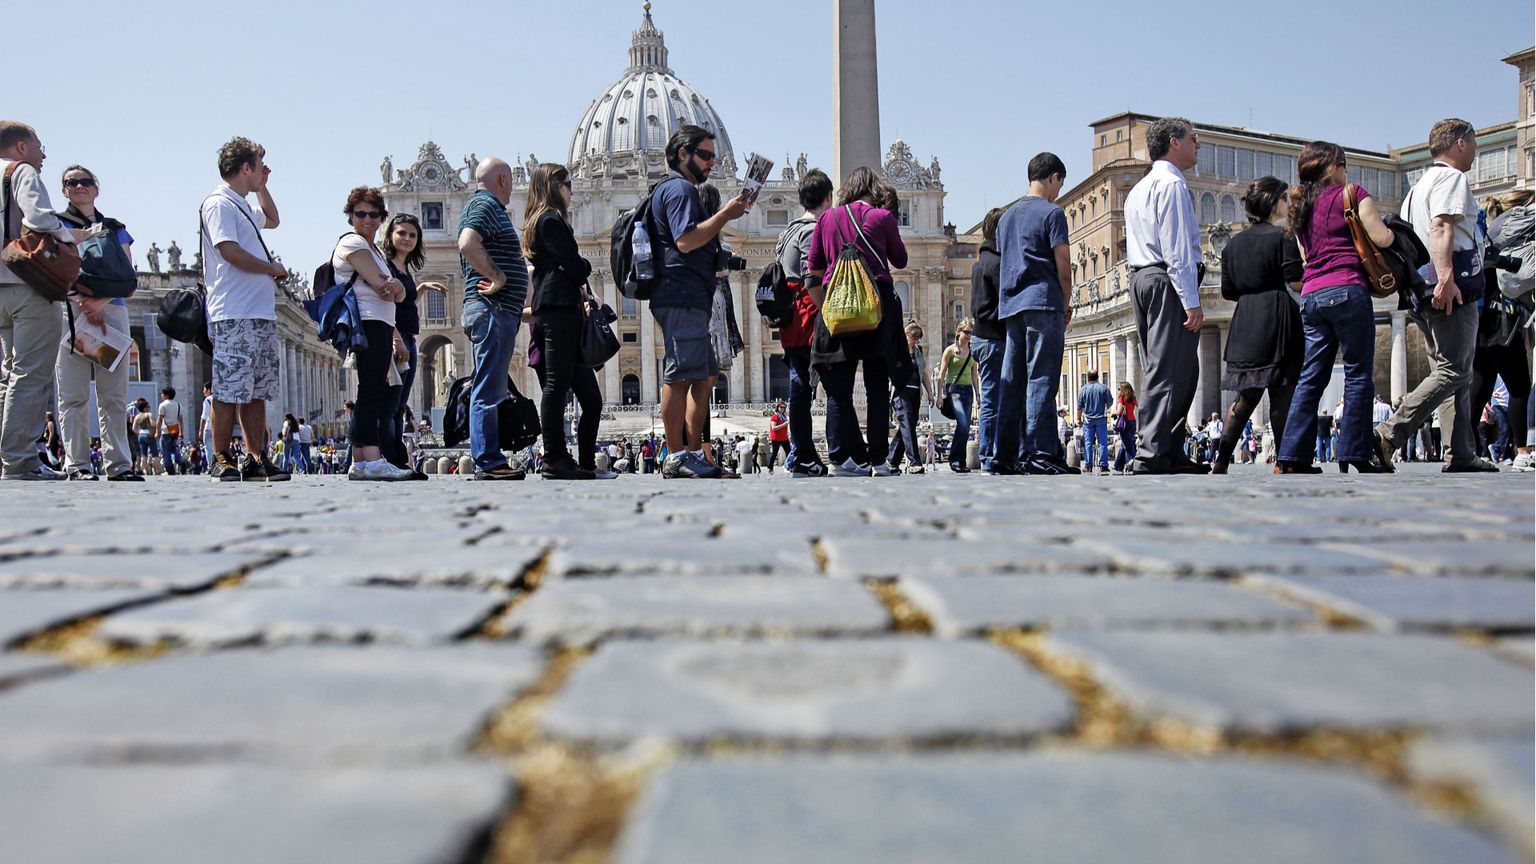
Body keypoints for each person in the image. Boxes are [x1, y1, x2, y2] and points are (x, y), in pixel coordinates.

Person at [1376, 119, 1499, 473]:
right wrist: (1446, 279)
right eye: (1474, 143)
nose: (1475, 151)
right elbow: (1441, 227)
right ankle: (1388, 433)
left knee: (1449, 369)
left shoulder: (1416, 188)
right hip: (1450, 287)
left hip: (1422, 289)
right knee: (1455, 370)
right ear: (1460, 143)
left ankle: (1460, 452)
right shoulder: (1452, 178)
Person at [1274, 141, 1394, 474]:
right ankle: (1353, 453)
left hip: (1312, 295)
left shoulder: (1300, 206)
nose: (1346, 170)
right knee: (1358, 374)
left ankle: (1291, 456)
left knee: (1311, 377)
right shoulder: (1351, 194)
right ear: (1331, 168)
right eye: (1343, 163)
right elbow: (1381, 238)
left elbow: (1305, 252)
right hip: (1347, 288)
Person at [650, 126, 749, 479]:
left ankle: (694, 452)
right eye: (705, 155)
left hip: (692, 294)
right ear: (682, 154)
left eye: (713, 156)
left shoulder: (681, 190)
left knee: (706, 374)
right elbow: (686, 241)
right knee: (679, 375)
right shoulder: (678, 189)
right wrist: (725, 215)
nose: (711, 163)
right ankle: (676, 455)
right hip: (680, 295)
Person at [808, 167, 909, 477]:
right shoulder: (882, 217)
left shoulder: (827, 218)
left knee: (839, 389)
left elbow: (813, 267)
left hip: (837, 309)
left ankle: (839, 459)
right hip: (874, 308)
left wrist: (825, 306)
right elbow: (901, 259)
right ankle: (878, 460)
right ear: (873, 190)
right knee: (877, 385)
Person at [200, 137, 290, 482]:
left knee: (256, 391)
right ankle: (220, 457)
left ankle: (256, 457)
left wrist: (263, 187)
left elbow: (273, 219)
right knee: (227, 391)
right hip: (233, 312)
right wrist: (271, 268)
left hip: (259, 312)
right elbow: (229, 251)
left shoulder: (241, 204)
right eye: (259, 166)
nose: (264, 171)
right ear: (245, 167)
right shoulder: (219, 203)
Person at [1123, 119, 1207, 474]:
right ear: (1175, 142)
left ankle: (1170, 449)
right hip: (1166, 279)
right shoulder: (1171, 185)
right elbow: (1177, 249)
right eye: (1193, 139)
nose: (1198, 144)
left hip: (1142, 277)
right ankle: (1150, 452)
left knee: (1183, 368)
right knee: (1166, 367)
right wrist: (1191, 299)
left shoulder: (1139, 189)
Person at [1, 121, 81, 481]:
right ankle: (19, 461)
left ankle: (7, 457)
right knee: (30, 375)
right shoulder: (22, 173)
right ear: (20, 147)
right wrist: (70, 235)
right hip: (26, 282)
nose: (43, 153)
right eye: (38, 145)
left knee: (7, 376)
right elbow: (39, 218)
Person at [1210, 176, 1304, 474]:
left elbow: (1228, 291)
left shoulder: (1233, 246)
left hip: (1246, 319)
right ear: (1274, 203)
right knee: (1281, 390)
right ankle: (1285, 462)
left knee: (1245, 398)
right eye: (1285, 198)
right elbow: (1295, 280)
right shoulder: (1283, 237)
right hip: (1277, 315)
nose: (1288, 203)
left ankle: (1221, 460)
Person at [53, 164, 141, 481]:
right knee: (73, 395)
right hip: (69, 312)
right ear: (63, 190)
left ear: (96, 188)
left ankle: (118, 465)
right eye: (71, 182)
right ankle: (76, 464)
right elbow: (49, 268)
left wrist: (98, 303)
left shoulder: (115, 227)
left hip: (111, 313)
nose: (79, 186)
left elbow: (128, 278)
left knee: (113, 396)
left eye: (85, 181)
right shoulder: (53, 225)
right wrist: (82, 303)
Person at [994, 152, 1077, 475]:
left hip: (1012, 305)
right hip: (1044, 302)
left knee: (1012, 381)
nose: (1058, 191)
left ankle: (1004, 454)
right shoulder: (1052, 214)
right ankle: (1040, 452)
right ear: (1054, 177)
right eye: (1060, 184)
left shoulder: (1006, 217)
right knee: (1042, 378)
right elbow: (1064, 267)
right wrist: (1066, 303)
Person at [525, 163, 606, 480]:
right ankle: (554, 457)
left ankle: (581, 461)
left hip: (564, 309)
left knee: (591, 398)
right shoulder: (550, 221)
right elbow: (577, 267)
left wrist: (574, 266)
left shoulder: (547, 221)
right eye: (567, 184)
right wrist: (579, 264)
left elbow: (571, 266)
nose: (572, 190)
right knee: (556, 386)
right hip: (558, 309)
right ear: (553, 186)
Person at [330, 187, 413, 482]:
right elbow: (383, 286)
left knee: (371, 390)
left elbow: (398, 292)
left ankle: (361, 463)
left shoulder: (375, 249)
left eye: (373, 214)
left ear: (381, 217)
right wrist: (392, 286)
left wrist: (396, 288)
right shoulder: (353, 243)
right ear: (351, 216)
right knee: (371, 392)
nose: (367, 219)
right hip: (366, 321)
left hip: (378, 322)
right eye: (360, 214)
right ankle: (373, 459)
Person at [459, 158, 531, 480]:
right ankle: (488, 460)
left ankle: (489, 457)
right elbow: (466, 244)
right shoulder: (485, 204)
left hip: (497, 310)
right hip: (492, 309)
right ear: (504, 178)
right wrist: (498, 276)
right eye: (512, 180)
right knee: (488, 388)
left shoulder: (484, 206)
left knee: (490, 385)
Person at [776, 168, 832, 477]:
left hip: (790, 315)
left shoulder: (787, 231)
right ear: (828, 197)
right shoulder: (812, 229)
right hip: (809, 311)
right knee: (806, 383)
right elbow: (813, 276)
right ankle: (803, 453)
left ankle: (800, 453)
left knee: (800, 382)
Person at [381, 213, 445, 478]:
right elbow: (383, 307)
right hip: (396, 340)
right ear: (391, 235)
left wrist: (420, 290)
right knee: (391, 405)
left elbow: (403, 306)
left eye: (412, 235)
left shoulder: (405, 268)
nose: (407, 238)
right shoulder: (385, 266)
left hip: (409, 337)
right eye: (402, 233)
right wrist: (395, 338)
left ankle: (397, 462)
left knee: (398, 406)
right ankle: (391, 461)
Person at [1471, 191, 1533, 465]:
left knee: (1481, 385)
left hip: (1482, 318)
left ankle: (1464, 448)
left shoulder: (1489, 234)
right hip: (1504, 319)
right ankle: (1522, 452)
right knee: (1519, 385)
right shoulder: (1515, 237)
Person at [969, 208, 1006, 472]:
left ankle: (989, 452)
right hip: (993, 337)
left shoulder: (980, 262)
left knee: (991, 396)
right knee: (993, 397)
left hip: (981, 337)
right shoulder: (996, 263)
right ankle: (989, 454)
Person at [888, 322, 935, 473]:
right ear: (906, 335)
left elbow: (924, 373)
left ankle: (891, 461)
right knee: (907, 424)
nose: (915, 341)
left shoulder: (919, 351)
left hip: (915, 393)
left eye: (917, 338)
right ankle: (914, 462)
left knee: (906, 427)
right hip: (900, 392)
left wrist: (930, 393)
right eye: (913, 337)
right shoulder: (896, 349)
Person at [937, 320, 980, 473]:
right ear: (958, 332)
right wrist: (939, 395)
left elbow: (975, 375)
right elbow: (941, 374)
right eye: (966, 332)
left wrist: (978, 394)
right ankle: (955, 460)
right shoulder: (949, 350)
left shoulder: (973, 351)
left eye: (971, 333)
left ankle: (960, 461)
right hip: (954, 389)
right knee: (962, 424)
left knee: (966, 427)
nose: (969, 335)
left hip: (968, 390)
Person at [1076, 371, 1113, 474]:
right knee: (1103, 443)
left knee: (1088, 443)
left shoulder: (1083, 389)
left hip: (1088, 419)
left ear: (1088, 378)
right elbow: (1110, 402)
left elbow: (1079, 407)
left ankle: (1088, 465)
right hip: (1101, 418)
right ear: (1097, 377)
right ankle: (1104, 465)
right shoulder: (1103, 388)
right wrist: (1103, 407)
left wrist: (1078, 419)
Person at [155, 387, 185, 475]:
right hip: (175, 430)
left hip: (166, 431)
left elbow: (159, 419)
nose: (162, 395)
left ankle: (170, 470)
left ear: (166, 395)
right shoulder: (178, 405)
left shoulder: (163, 405)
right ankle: (181, 461)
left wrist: (157, 432)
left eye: (163, 394)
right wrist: (181, 432)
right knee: (174, 449)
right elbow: (181, 420)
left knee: (166, 452)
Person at [1111, 382, 1138, 474]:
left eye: (1119, 389)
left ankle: (1129, 464)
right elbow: (1138, 406)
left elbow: (1119, 412)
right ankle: (1118, 465)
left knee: (1127, 446)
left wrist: (1113, 413)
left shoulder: (1121, 398)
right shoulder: (1132, 398)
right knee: (1125, 444)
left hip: (1125, 424)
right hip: (1132, 422)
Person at [766, 401, 790, 472]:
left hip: (784, 437)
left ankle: (789, 466)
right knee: (774, 453)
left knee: (789, 452)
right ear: (778, 408)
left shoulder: (784, 416)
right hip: (776, 438)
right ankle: (770, 467)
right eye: (781, 407)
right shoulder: (775, 416)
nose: (782, 409)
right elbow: (773, 428)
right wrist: (784, 424)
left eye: (784, 407)